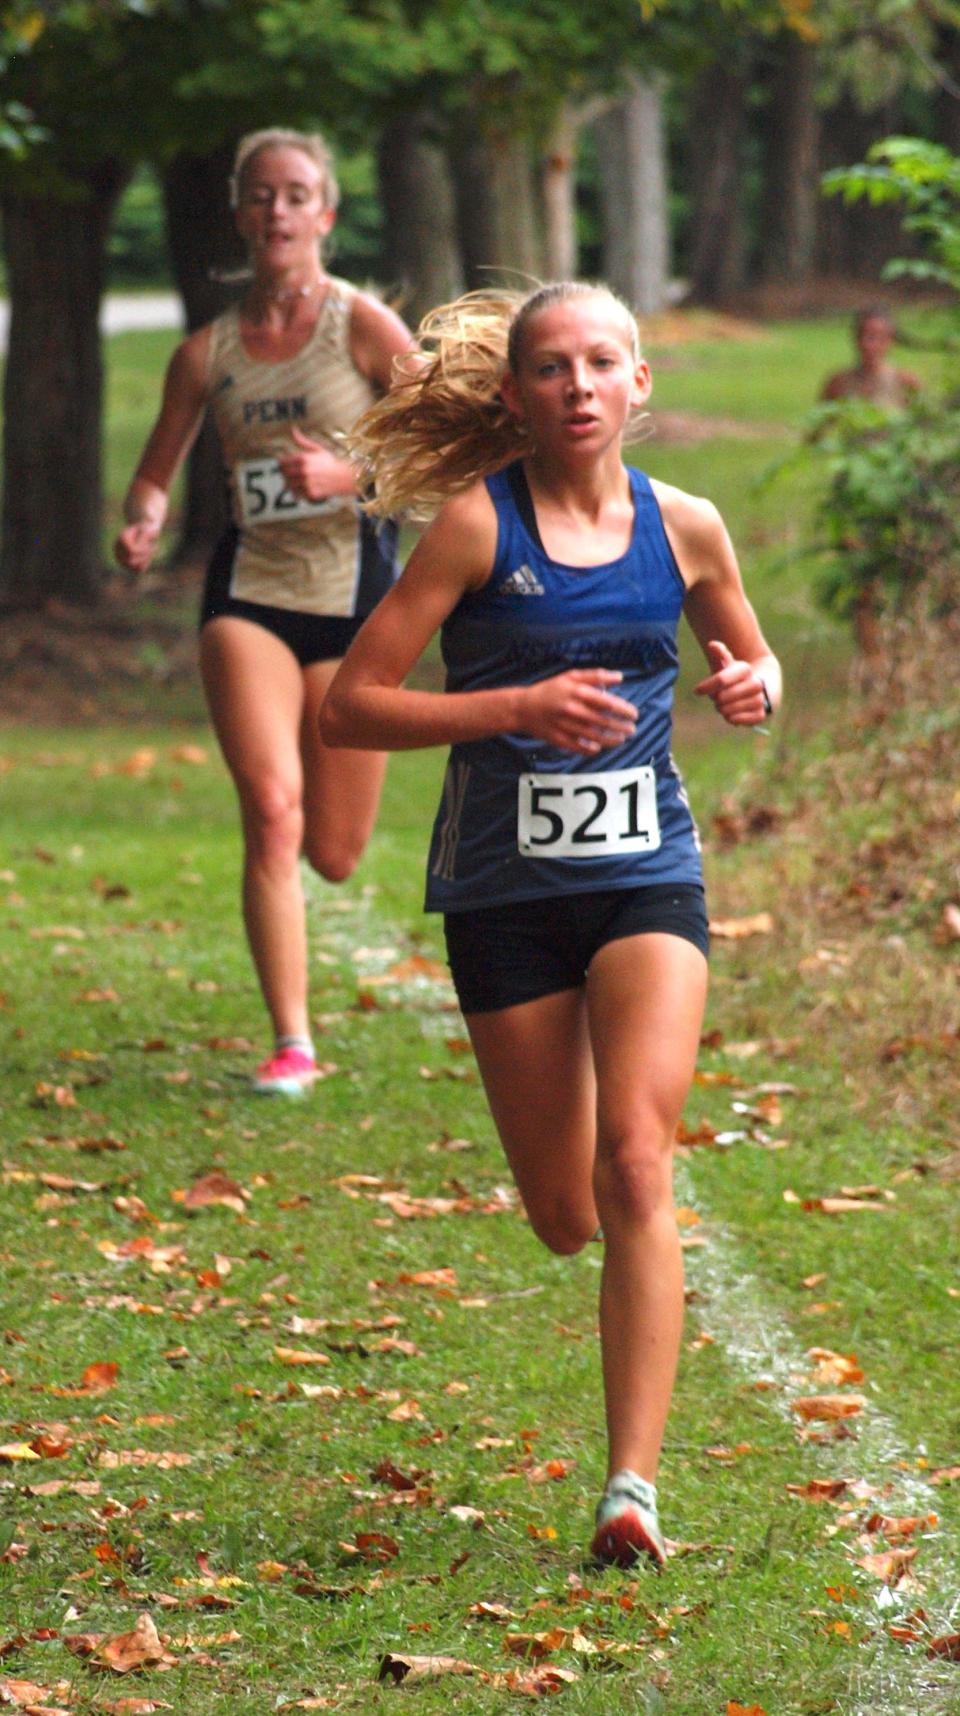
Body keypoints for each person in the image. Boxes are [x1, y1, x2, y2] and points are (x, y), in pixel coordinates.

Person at [320, 281, 782, 1565]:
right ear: (516, 395)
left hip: (648, 881)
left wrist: (754, 682)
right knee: (565, 1213)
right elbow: (350, 707)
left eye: (602, 363)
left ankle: (630, 1488)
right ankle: (622, 1433)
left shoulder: (686, 526)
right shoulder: (475, 528)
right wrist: (511, 709)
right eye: (552, 367)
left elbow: (752, 656)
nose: (579, 385)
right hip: (503, 899)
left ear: (639, 386)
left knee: (638, 1160)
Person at [115, 128, 414, 1095]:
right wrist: (143, 522)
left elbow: (448, 445)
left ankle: (297, 1024)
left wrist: (350, 471)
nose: (278, 212)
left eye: (296, 195)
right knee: (272, 812)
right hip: (248, 597)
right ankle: (292, 1043)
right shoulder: (205, 353)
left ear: (324, 215)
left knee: (333, 851)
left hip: (352, 603)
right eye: (261, 196)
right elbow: (155, 473)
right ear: (241, 216)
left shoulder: (363, 327)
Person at [820, 306, 921, 409]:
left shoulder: (905, 382)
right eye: (862, 336)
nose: (867, 344)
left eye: (875, 337)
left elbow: (924, 421)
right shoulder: (838, 383)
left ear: (889, 340)